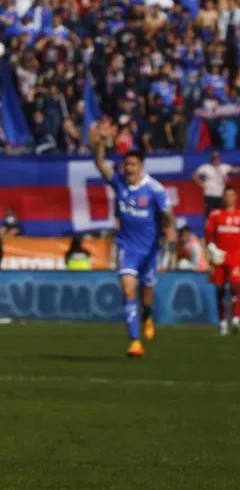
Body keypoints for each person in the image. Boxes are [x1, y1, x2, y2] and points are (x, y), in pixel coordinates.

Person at [92, 121, 177, 358]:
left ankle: (147, 315)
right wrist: (100, 143)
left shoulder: (154, 189)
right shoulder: (118, 182)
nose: (129, 168)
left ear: (141, 166)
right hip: (127, 246)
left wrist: (170, 229)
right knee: (128, 289)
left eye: (133, 164)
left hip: (150, 247)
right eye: (126, 164)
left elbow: (168, 213)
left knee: (146, 292)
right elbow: (100, 164)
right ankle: (135, 341)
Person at [204, 186, 240, 336]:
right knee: (219, 289)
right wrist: (212, 250)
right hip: (219, 257)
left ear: (236, 197)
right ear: (223, 197)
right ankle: (223, 321)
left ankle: (236, 318)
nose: (229, 198)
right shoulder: (216, 215)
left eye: (232, 195)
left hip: (236, 256)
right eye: (227, 195)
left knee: (236, 286)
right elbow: (208, 236)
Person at [193, 151, 233, 217]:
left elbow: (235, 169)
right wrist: (201, 183)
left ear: (219, 158)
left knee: (221, 213)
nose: (216, 160)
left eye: (217, 158)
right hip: (209, 194)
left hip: (221, 195)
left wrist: (227, 179)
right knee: (209, 214)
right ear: (211, 159)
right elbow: (195, 175)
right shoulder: (206, 167)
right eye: (214, 158)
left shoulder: (224, 167)